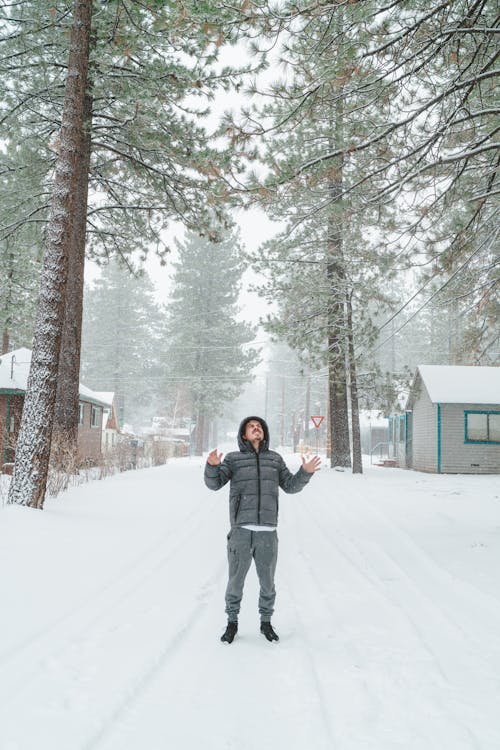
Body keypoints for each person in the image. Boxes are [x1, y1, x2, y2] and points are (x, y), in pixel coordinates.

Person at [204, 415, 321, 644]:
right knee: (235, 581)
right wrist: (211, 467)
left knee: (267, 581)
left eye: (259, 427)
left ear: (263, 433)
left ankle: (266, 622)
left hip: (267, 531)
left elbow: (290, 486)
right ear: (244, 434)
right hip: (240, 531)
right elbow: (214, 484)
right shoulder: (234, 459)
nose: (256, 429)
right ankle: (232, 623)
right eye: (251, 427)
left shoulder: (274, 459)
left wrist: (305, 472)